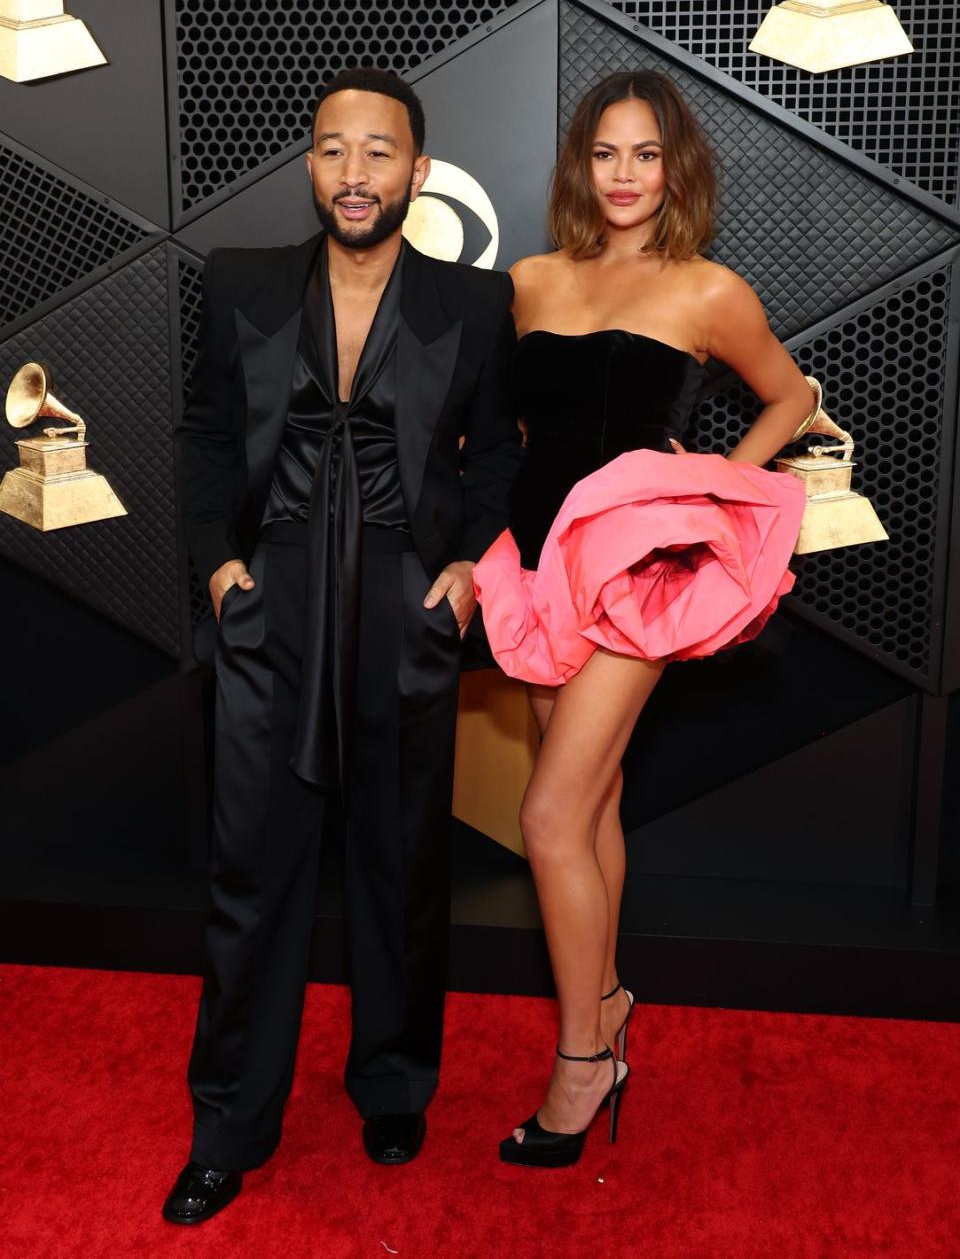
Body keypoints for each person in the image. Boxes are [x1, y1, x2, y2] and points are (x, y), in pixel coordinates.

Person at [164, 67, 521, 1223]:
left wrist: (467, 569)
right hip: (271, 603)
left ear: (419, 172)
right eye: (333, 150)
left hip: (405, 608)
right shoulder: (238, 282)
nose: (355, 173)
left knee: (402, 862)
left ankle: (393, 1081)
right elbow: (206, 433)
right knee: (250, 873)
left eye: (380, 152)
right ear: (309, 165)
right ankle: (230, 1122)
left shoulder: (473, 302)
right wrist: (220, 569)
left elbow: (495, 457)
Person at [473, 70, 812, 1168]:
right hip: (533, 558)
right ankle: (609, 1000)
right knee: (597, 798)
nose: (624, 175)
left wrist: (714, 476)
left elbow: (792, 395)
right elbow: (515, 419)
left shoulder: (710, 289)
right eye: (607, 154)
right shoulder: (527, 279)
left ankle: (582, 1062)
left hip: (636, 575)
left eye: (647, 155)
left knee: (549, 817)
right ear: (581, 166)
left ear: (678, 169)